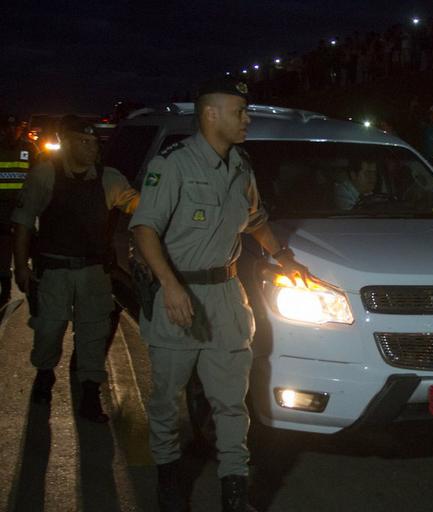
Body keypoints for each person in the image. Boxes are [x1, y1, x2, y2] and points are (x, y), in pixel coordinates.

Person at [129, 78, 308, 512]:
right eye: (240, 112)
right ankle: (169, 479)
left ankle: (234, 491)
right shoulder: (173, 165)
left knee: (231, 404)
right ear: (210, 114)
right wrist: (170, 285)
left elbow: (255, 220)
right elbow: (143, 229)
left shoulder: (241, 167)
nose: (247, 119)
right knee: (166, 401)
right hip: (179, 296)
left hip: (227, 297)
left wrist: (283, 257)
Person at [11, 115, 140, 422]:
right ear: (67, 143)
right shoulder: (46, 175)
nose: (92, 147)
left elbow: (139, 205)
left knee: (93, 332)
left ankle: (90, 392)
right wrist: (20, 267)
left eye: (95, 142)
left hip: (93, 271)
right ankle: (45, 374)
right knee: (49, 329)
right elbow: (23, 222)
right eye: (84, 141)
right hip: (54, 270)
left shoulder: (108, 178)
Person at [0, 115, 33, 306]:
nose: (12, 132)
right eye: (7, 128)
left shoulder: (29, 148)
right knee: (3, 248)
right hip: (1, 207)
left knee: (27, 246)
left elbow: (40, 174)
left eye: (16, 127)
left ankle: (30, 283)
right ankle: (5, 286)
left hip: (24, 207)